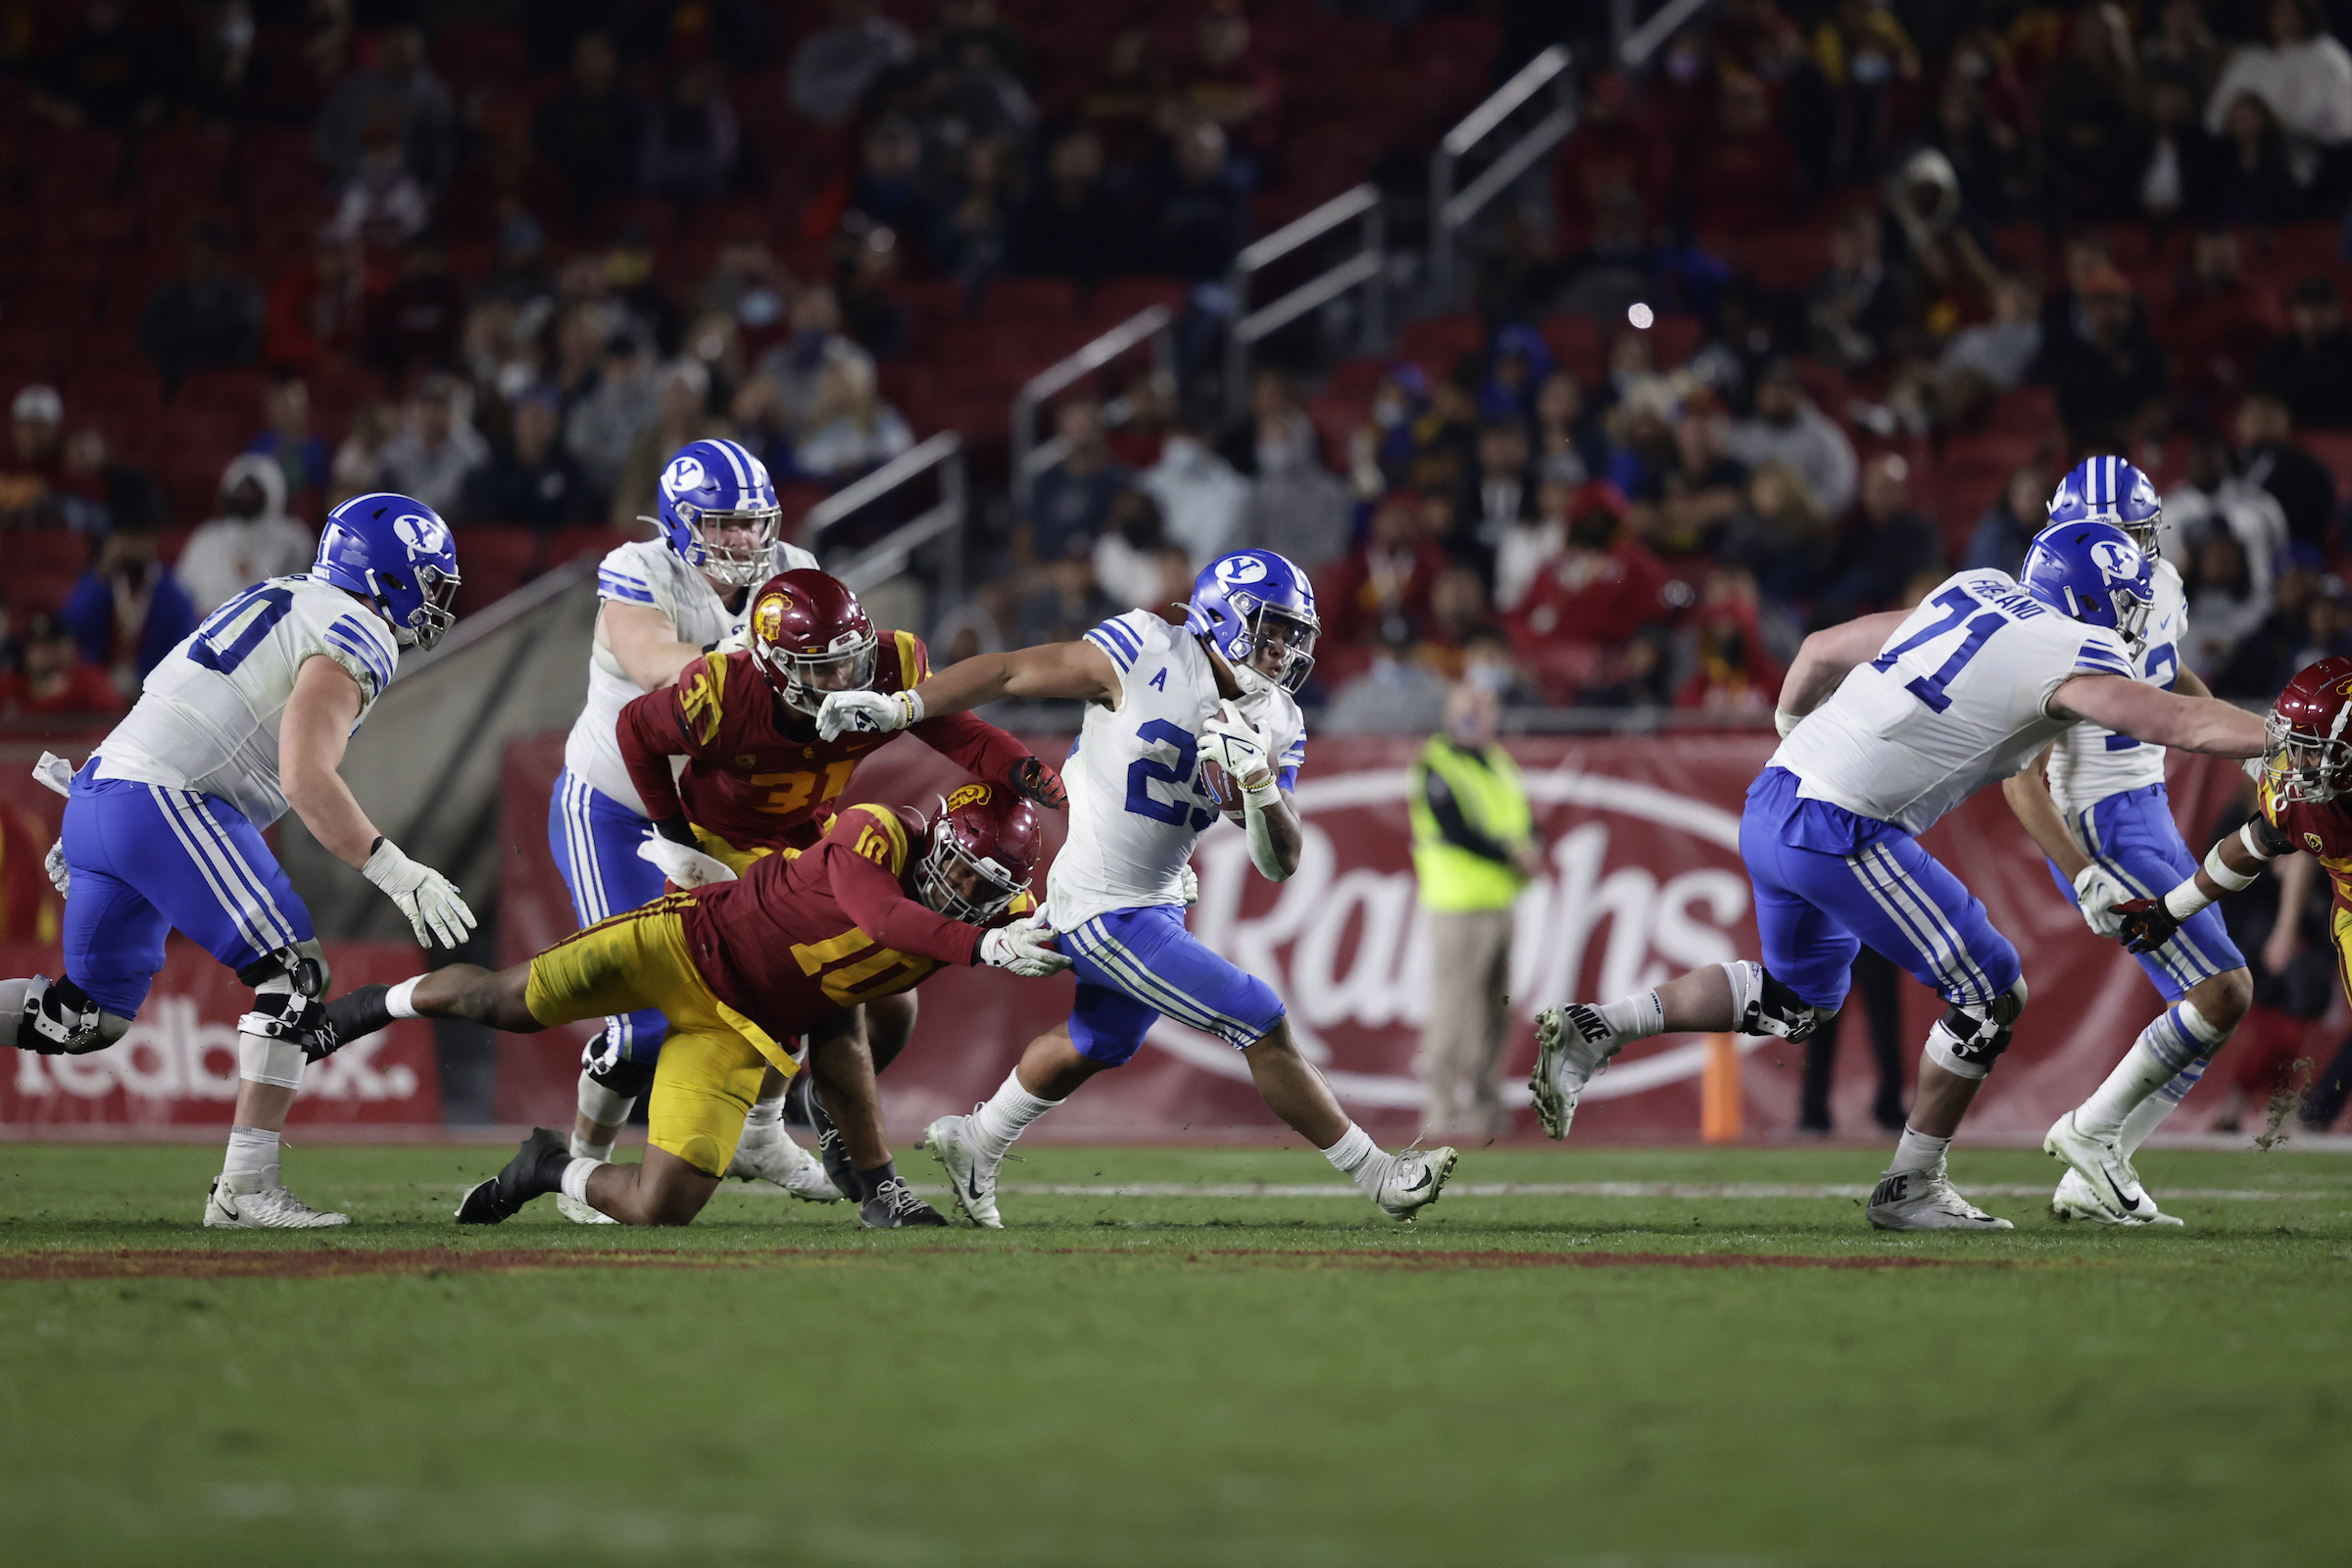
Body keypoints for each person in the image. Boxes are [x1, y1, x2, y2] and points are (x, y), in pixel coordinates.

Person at [1530, 518, 2267, 1229]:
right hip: (1838, 824)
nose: (2135, 619)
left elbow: (1818, 649)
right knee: (1991, 991)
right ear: (2087, 595)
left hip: (1776, 793)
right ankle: (1912, 1185)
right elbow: (2178, 724)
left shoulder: (1971, 587)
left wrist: (1796, 740)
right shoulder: (2072, 648)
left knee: (1795, 1000)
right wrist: (2284, 734)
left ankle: (1599, 1027)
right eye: (2126, 601)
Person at [816, 550, 1457, 1227]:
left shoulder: (1279, 720)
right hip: (1099, 902)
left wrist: (1261, 788)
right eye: (1271, 631)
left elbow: (1279, 861)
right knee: (1260, 1020)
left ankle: (976, 1140)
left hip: (1157, 896)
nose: (1283, 652)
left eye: (1294, 636)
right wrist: (902, 707)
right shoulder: (1146, 648)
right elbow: (1010, 670)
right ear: (1224, 616)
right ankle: (1379, 1174)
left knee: (1099, 1041)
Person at [4, 493, 470, 1227]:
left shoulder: (280, 595)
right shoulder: (356, 631)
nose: (437, 603)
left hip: (105, 790)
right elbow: (305, 777)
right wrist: (393, 869)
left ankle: (246, 1188)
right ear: (387, 575)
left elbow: (173, 699)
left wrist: (95, 812)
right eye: (432, 583)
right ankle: (246, 1190)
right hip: (162, 799)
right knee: (293, 973)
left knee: (82, 1017)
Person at [329, 787, 1063, 1230]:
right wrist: (980, 946)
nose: (962, 891)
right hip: (686, 944)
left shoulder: (999, 917)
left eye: (983, 887)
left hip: (744, 1028)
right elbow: (883, 920)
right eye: (958, 867)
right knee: (502, 1001)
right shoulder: (877, 832)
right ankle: (369, 1006)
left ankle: (545, 1167)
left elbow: (844, 1016)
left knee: (663, 1207)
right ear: (936, 840)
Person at [612, 568, 1066, 1201]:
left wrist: (1026, 769)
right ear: (772, 665)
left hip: (807, 838)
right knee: (794, 1005)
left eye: (849, 660)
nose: (843, 681)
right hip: (725, 850)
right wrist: (674, 834)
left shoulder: (881, 670)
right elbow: (635, 729)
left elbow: (954, 730)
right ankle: (599, 1151)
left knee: (890, 1008)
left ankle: (805, 1116)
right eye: (820, 669)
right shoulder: (720, 692)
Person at [546, 438, 818, 1224]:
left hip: (717, 819)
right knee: (641, 1026)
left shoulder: (790, 570)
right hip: (616, 811)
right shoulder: (640, 571)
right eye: (724, 525)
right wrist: (752, 658)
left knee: (793, 972)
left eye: (752, 523)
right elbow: (659, 665)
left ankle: (763, 1132)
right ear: (679, 523)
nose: (743, 541)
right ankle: (582, 1166)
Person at [1998, 458, 2253, 1225]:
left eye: (2143, 537)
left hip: (2149, 805)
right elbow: (2020, 778)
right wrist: (2081, 875)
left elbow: (2175, 682)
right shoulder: (2047, 615)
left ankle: (2094, 1163)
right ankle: (2091, 1134)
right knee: (2221, 991)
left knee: (2213, 1001)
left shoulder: (2159, 584)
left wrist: (2250, 742)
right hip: (2101, 822)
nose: (2139, 553)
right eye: (2125, 538)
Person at [2105, 653, 2352, 1171]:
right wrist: (2170, 911)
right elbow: (2252, 844)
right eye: (2298, 747)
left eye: (2313, 752)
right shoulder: (2300, 796)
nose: (2298, 765)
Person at [1409, 677, 1541, 1139]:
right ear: (1449, 712)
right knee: (1454, 1009)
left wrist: (1531, 848)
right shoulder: (1437, 764)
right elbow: (1455, 829)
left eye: (1485, 705)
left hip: (1499, 902)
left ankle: (1485, 1106)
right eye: (1469, 705)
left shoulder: (1499, 763)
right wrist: (1514, 855)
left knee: (1496, 1011)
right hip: (1457, 906)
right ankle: (1441, 1110)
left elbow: (1526, 820)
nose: (1478, 714)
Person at [61, 518, 198, 698]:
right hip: (99, 690)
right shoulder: (101, 584)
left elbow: (183, 645)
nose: (132, 548)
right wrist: (99, 576)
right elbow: (71, 625)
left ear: (153, 542)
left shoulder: (172, 593)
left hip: (154, 691)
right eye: (126, 539)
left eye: (139, 539)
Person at [178, 454, 316, 616]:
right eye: (240, 489)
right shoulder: (207, 538)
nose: (245, 495)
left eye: (252, 489)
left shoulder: (293, 539)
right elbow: (182, 593)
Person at [136, 222, 264, 392]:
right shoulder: (168, 296)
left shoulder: (244, 296)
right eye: (199, 254)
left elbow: (244, 347)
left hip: (227, 386)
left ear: (227, 260)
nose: (204, 262)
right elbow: (148, 339)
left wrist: (186, 345)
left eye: (214, 256)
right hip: (175, 384)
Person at [378, 374, 488, 521]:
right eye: (427, 405)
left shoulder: (473, 451)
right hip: (403, 524)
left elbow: (475, 505)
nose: (433, 413)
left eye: (441, 405)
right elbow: (384, 499)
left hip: (455, 529)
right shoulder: (397, 450)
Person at [2253, 277, 2352, 431]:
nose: (2315, 315)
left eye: (2323, 306)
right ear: (2295, 312)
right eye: (2308, 307)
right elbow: (2263, 397)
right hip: (2290, 442)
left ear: (2339, 311)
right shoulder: (2278, 353)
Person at [0, 612, 122, 717]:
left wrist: (63, 697)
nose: (42, 654)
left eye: (51, 645)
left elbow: (113, 710)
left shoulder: (88, 680)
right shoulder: (13, 683)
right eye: (35, 646)